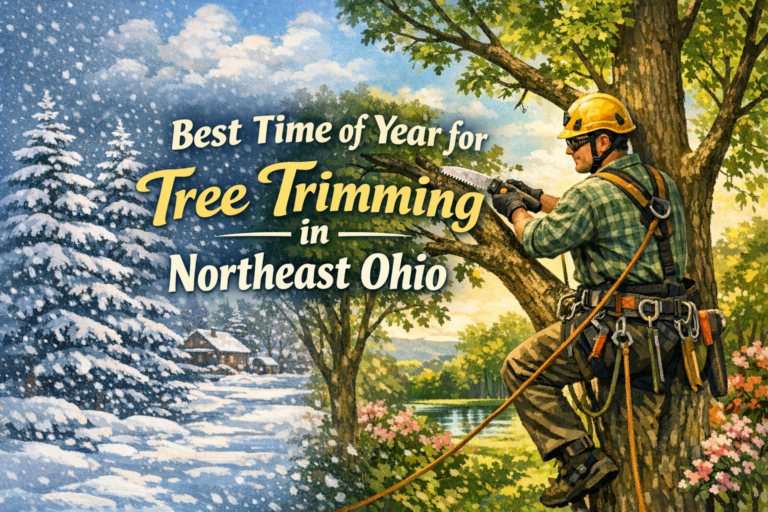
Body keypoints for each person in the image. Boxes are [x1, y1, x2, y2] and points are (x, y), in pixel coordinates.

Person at [494, 93, 690, 508]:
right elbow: (598, 213)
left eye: (576, 141)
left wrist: (515, 210)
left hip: (621, 335)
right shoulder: (659, 182)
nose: (568, 150)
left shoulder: (592, 193)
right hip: (668, 334)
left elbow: (539, 240)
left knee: (520, 367)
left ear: (604, 143)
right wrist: (539, 199)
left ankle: (581, 460)